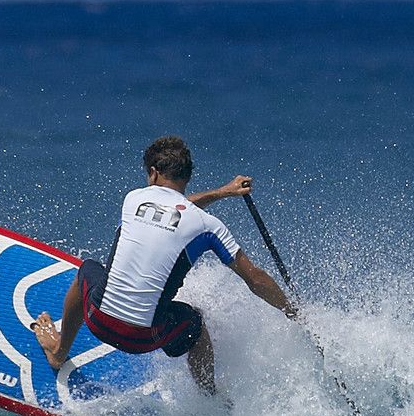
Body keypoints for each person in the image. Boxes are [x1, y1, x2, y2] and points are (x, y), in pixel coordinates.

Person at [32, 136, 297, 396]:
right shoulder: (208, 226)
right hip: (144, 339)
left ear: (154, 172)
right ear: (187, 176)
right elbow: (256, 279)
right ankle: (210, 398)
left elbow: (175, 208)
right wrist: (294, 312)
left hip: (98, 320)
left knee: (87, 269)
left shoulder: (133, 199)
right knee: (195, 323)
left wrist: (223, 192)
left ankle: (59, 352)